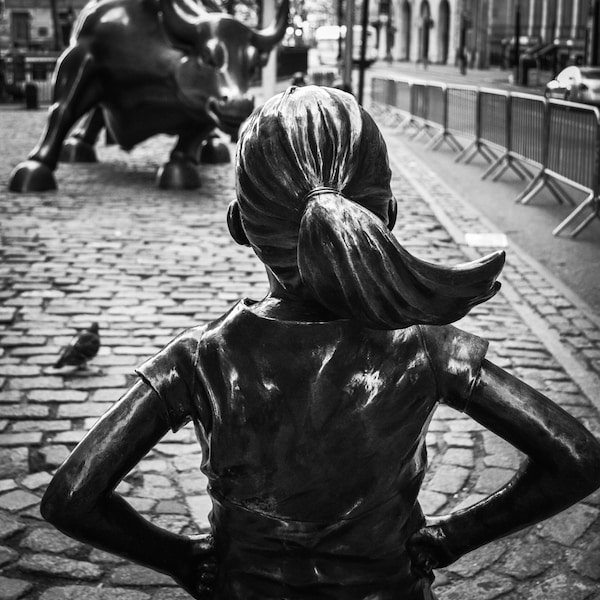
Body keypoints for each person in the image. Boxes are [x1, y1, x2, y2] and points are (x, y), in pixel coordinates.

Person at [41, 86, 600, 599]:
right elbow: (577, 458)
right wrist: (452, 538)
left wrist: (181, 559)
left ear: (239, 225)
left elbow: (71, 496)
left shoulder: (200, 358)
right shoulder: (426, 349)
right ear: (389, 217)